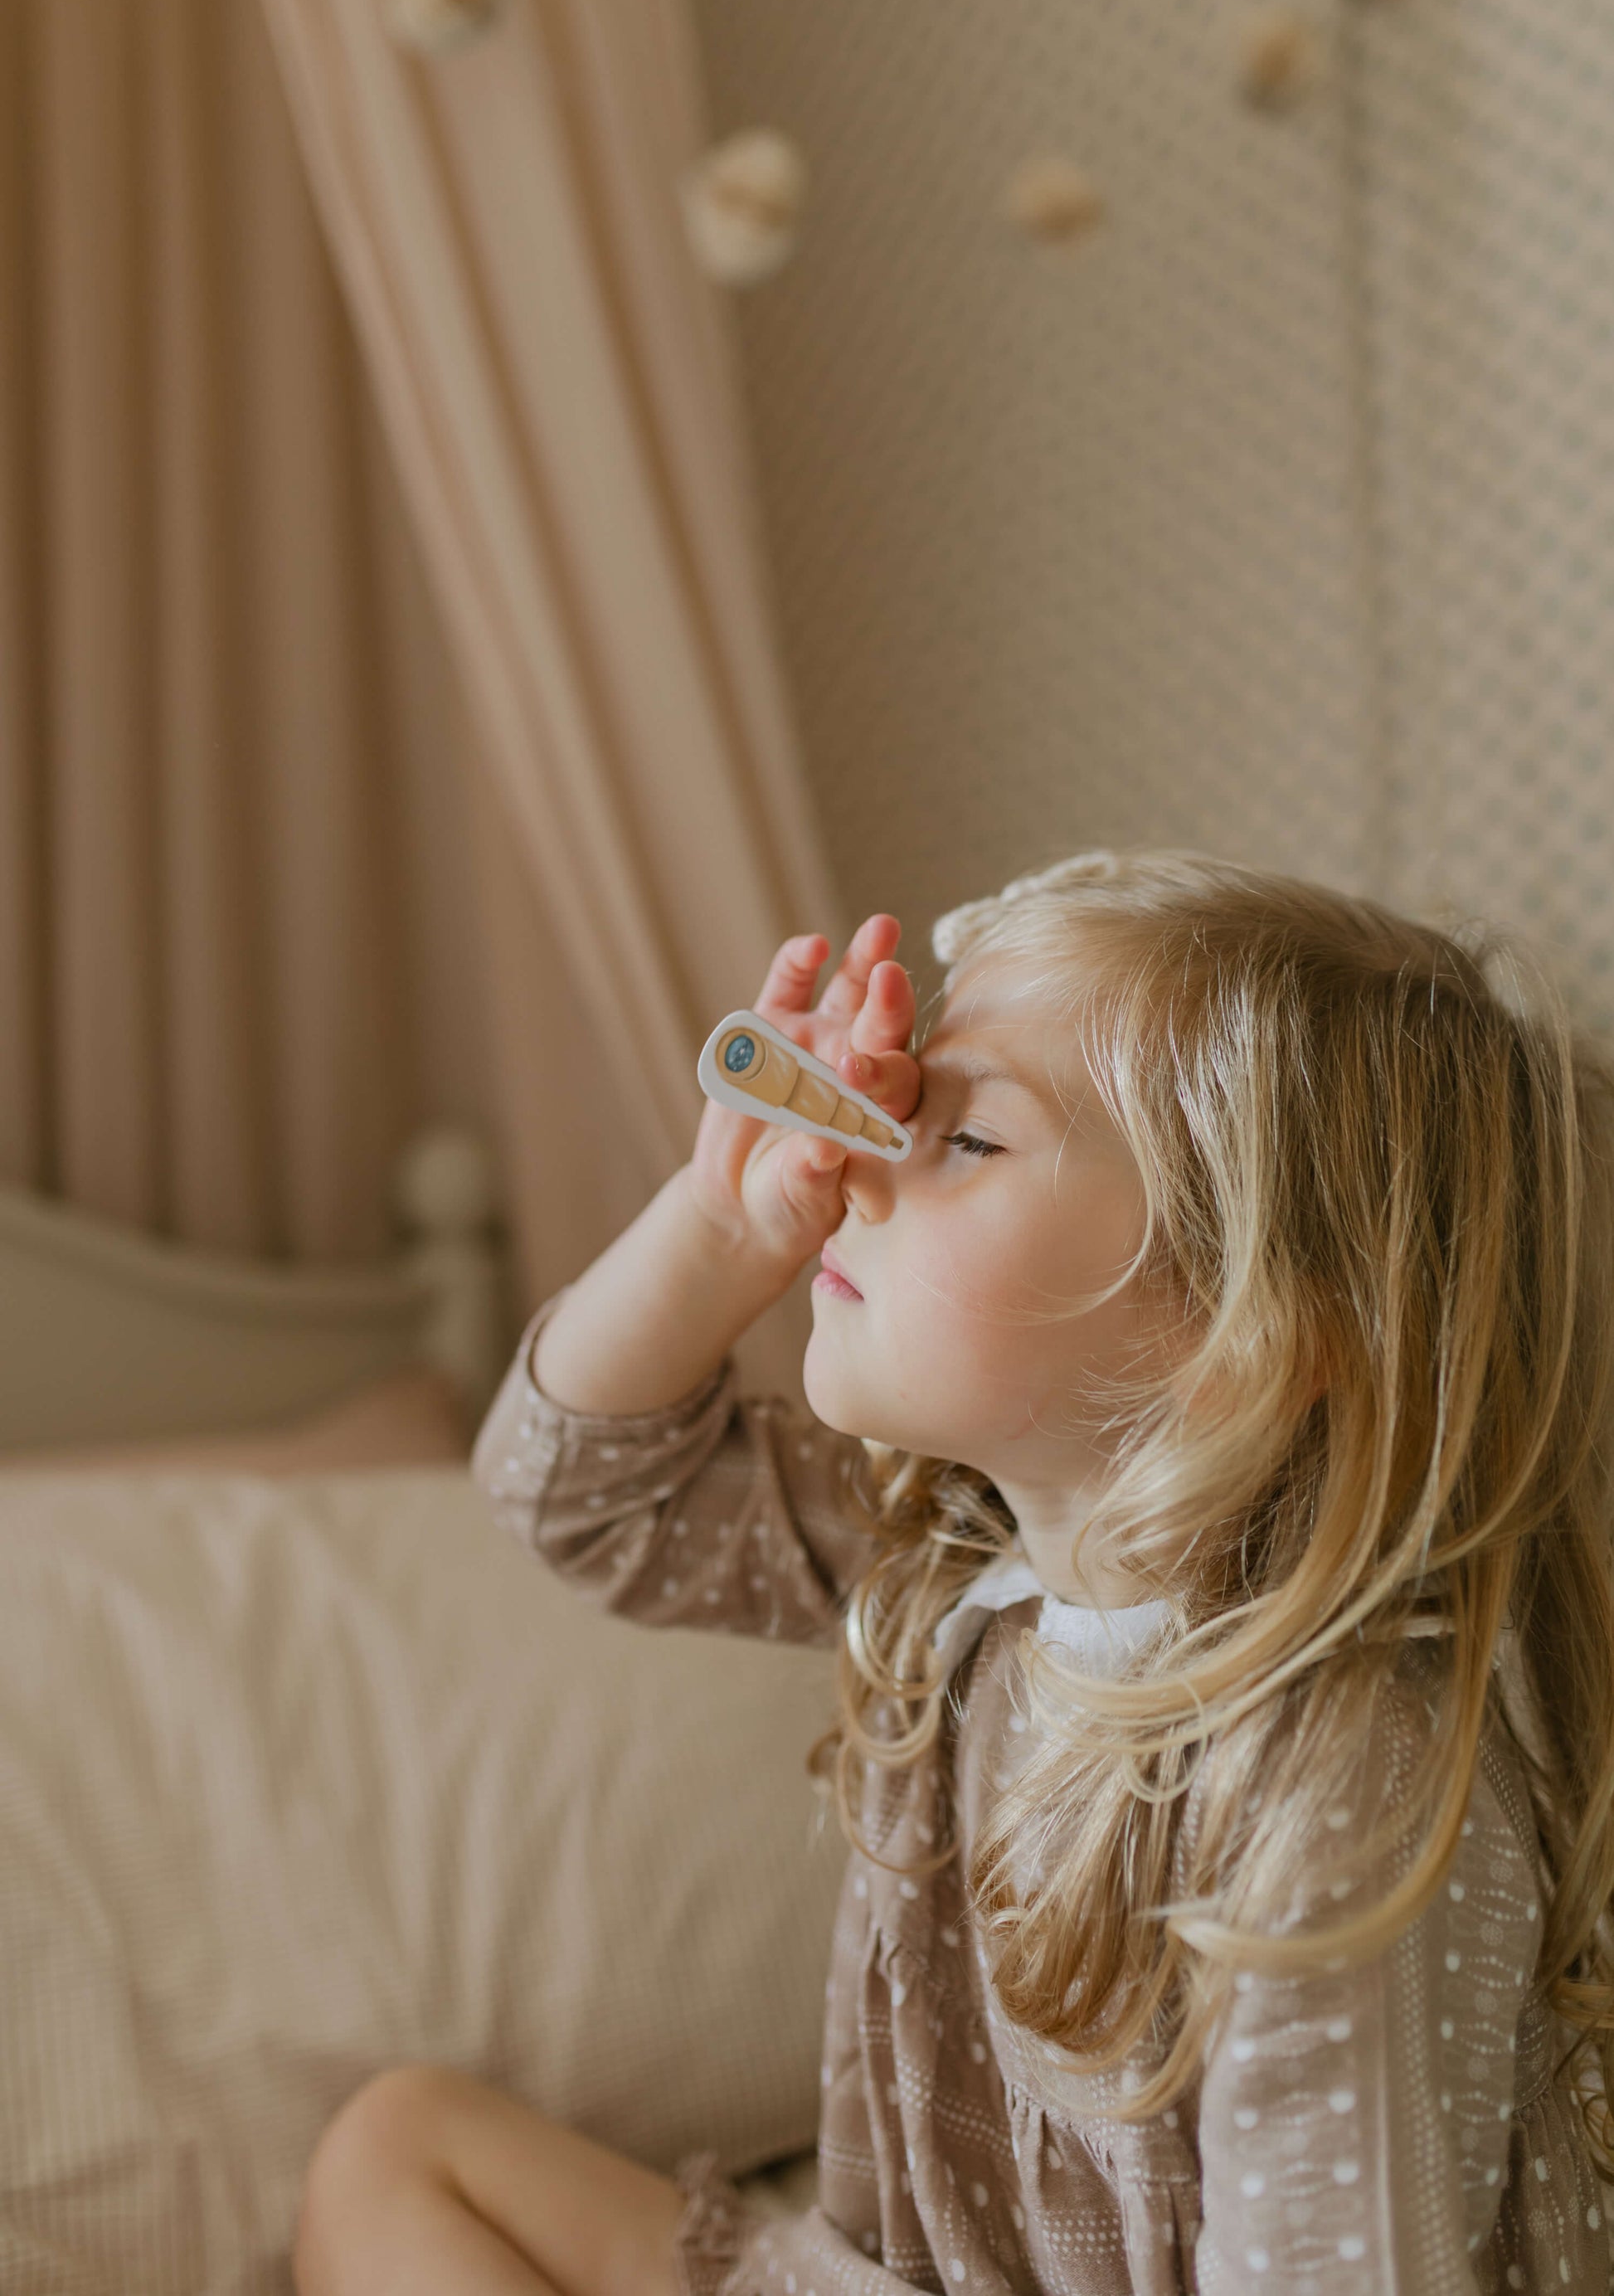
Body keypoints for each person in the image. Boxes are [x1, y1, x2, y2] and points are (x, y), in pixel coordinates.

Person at [291, 850, 1614, 2294]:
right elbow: (574, 1489)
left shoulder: (1340, 1781)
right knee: (397, 2145)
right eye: (894, 1102)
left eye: (965, 1138)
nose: (853, 1158)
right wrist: (720, 1224)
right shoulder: (953, 1570)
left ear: (1239, 1338)